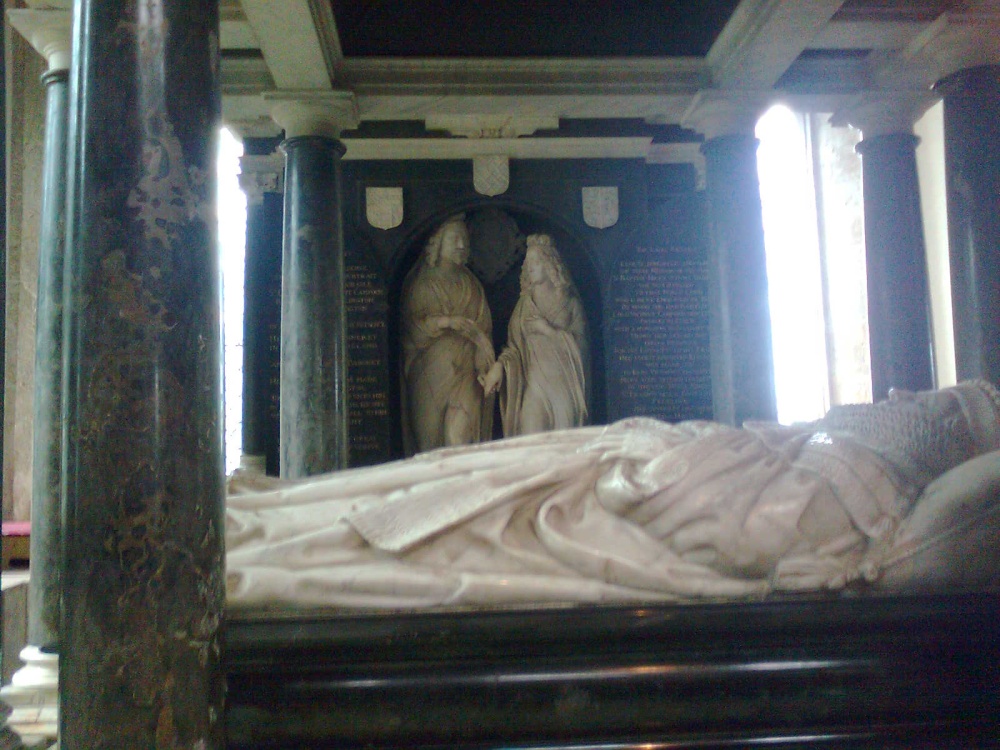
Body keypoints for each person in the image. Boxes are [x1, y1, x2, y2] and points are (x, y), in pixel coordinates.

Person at [226, 381, 1000, 610]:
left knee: (427, 523)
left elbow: (714, 531)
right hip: (591, 475)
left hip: (577, 515)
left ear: (933, 437)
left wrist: (644, 465)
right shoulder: (829, 458)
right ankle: (267, 516)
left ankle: (263, 541)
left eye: (934, 398)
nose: (901, 388)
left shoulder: (844, 498)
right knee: (432, 480)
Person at [400, 215, 495, 454]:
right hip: (432, 372)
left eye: (465, 239)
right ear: (438, 243)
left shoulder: (471, 285)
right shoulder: (423, 283)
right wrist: (447, 322)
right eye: (455, 239)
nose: (462, 245)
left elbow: (484, 330)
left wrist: (484, 366)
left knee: (460, 439)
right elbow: (413, 329)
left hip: (467, 372)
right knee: (429, 446)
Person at [480, 234, 589, 436]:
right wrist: (498, 367)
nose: (531, 267)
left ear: (550, 264)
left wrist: (547, 330)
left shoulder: (569, 304)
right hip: (535, 386)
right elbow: (514, 348)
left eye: (537, 261)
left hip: (563, 388)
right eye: (528, 262)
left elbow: (582, 350)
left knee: (564, 449)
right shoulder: (524, 306)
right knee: (530, 442)